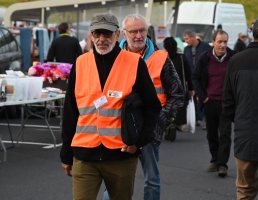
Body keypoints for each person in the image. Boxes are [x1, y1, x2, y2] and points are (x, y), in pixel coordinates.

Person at [60, 13, 162, 200]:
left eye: (107, 34)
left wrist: (139, 142)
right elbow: (70, 112)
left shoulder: (134, 63)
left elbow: (152, 107)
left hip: (120, 156)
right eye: (97, 34)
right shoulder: (80, 63)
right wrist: (66, 153)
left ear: (117, 35)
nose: (101, 39)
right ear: (91, 35)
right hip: (85, 155)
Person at [105, 14, 183, 200]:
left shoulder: (161, 59)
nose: (139, 35)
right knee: (114, 180)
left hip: (149, 129)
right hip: (119, 129)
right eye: (133, 31)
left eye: (142, 30)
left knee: (151, 179)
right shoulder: (111, 58)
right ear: (123, 34)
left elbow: (178, 95)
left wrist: (160, 121)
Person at [222, 15, 258, 199]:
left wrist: (241, 119)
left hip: (244, 134)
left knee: (245, 190)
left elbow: (227, 102)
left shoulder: (236, 60)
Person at [192, 30, 236, 177]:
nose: (223, 45)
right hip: (210, 102)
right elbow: (196, 78)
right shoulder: (204, 58)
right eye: (220, 42)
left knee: (225, 134)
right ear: (213, 42)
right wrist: (203, 96)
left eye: (225, 42)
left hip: (226, 103)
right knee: (212, 133)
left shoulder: (234, 57)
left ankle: (222, 164)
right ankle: (214, 159)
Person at [163, 37, 194, 132]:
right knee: (180, 107)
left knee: (166, 107)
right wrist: (191, 88)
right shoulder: (181, 57)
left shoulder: (162, 58)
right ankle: (179, 124)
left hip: (165, 89)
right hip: (180, 89)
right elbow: (189, 73)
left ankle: (167, 125)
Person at [183, 29, 210, 127]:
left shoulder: (205, 46)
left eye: (187, 39)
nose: (185, 41)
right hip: (192, 78)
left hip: (204, 77)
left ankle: (207, 121)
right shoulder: (186, 49)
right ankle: (198, 118)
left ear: (193, 37)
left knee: (205, 98)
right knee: (194, 98)